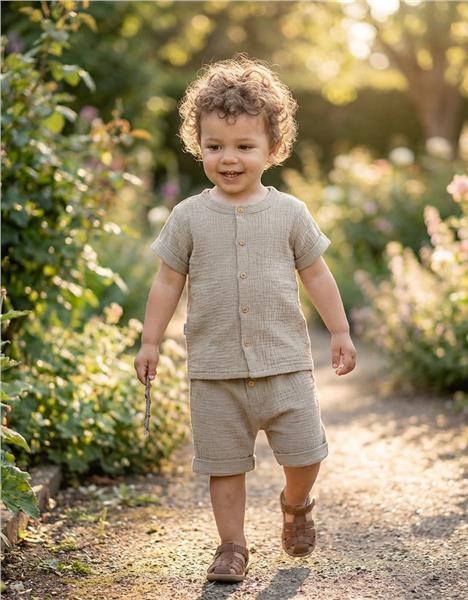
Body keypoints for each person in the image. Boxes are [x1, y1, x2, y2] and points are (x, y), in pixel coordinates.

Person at [134, 54, 356, 583]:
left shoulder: (290, 213)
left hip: (285, 364)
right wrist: (150, 341)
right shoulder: (188, 216)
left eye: (243, 146)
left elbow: (317, 275)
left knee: (306, 452)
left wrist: (340, 330)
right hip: (215, 371)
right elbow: (167, 282)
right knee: (224, 466)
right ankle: (231, 546)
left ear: (273, 149)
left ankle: (296, 503)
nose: (227, 158)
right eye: (214, 146)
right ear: (198, 146)